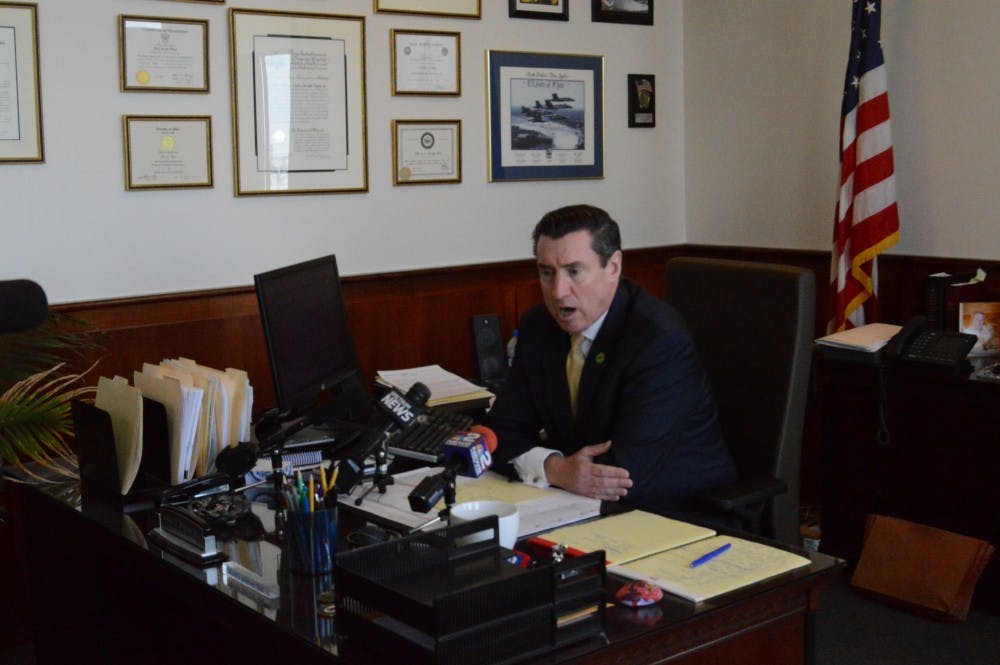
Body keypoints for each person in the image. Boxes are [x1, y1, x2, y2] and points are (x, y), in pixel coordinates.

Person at [485, 204, 738, 516]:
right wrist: (556, 468)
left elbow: (622, 474)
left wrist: (546, 467)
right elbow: (499, 434)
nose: (558, 291)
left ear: (613, 267)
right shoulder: (540, 327)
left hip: (675, 513)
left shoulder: (658, 341)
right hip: (578, 503)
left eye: (574, 271)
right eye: (546, 273)